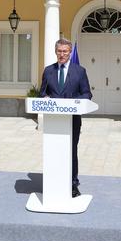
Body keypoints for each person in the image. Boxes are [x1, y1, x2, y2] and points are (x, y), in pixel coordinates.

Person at [39, 38, 92, 198]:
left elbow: (87, 93)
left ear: (70, 53)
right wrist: (45, 97)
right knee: (53, 150)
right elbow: (42, 92)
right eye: (59, 51)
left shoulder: (79, 71)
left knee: (71, 150)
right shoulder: (48, 71)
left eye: (65, 51)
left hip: (72, 119)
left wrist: (76, 101)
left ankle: (72, 183)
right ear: (56, 52)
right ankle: (53, 180)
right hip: (53, 120)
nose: (62, 54)